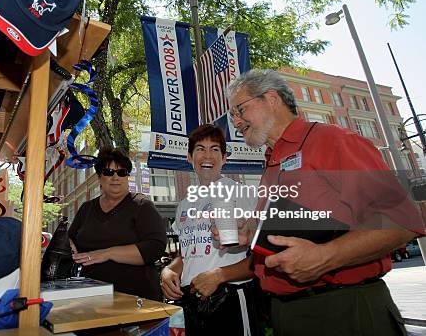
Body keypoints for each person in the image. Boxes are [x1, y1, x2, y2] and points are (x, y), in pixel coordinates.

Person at [225, 69, 424, 336]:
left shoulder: (332, 140)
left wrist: (325, 256)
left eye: (240, 110)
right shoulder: (272, 161)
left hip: (345, 311)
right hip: (285, 314)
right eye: (232, 115)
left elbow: (404, 221)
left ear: (271, 98)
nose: (236, 122)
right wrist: (252, 233)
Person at [160, 124, 262, 335]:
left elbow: (262, 257)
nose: (207, 156)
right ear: (189, 157)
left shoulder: (241, 193)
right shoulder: (184, 205)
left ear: (224, 158)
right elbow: (188, 254)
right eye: (200, 149)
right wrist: (169, 270)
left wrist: (220, 275)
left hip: (229, 298)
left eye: (215, 149)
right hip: (192, 302)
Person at [68, 147, 167, 301]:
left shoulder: (142, 205)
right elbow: (70, 238)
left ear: (127, 177)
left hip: (137, 299)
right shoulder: (86, 208)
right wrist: (70, 245)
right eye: (109, 172)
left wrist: (108, 253)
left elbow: (155, 247)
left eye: (121, 172)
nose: (116, 177)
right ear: (100, 177)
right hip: (92, 297)